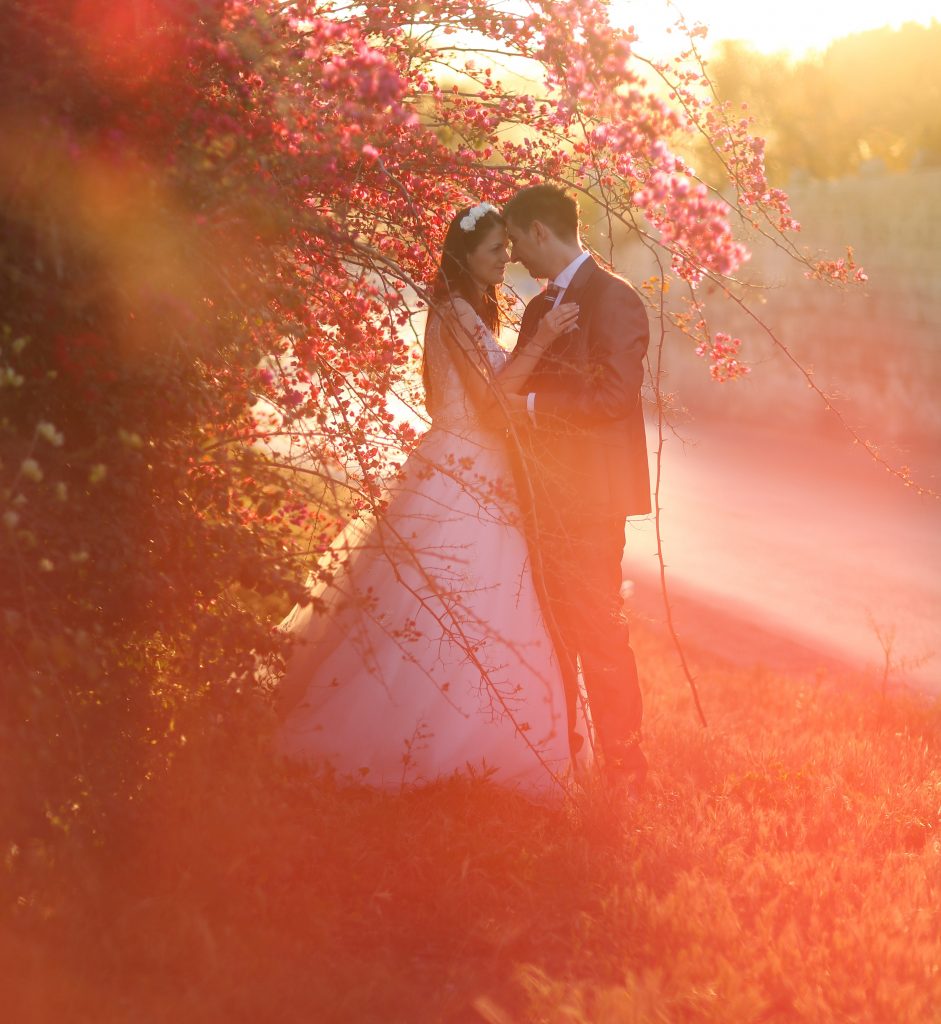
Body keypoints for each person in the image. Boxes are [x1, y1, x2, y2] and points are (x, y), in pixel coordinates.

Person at [274, 202, 584, 796]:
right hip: (467, 470)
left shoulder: (457, 312)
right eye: (495, 250)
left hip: (457, 461)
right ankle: (448, 739)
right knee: (465, 594)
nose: (507, 258)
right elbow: (494, 401)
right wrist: (542, 341)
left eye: (507, 247)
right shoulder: (460, 314)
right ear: (464, 257)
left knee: (451, 598)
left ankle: (459, 726)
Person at [500, 184, 651, 792]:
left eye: (514, 240)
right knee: (552, 630)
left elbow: (616, 397)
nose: (512, 255)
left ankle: (627, 768)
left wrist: (534, 406)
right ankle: (565, 758)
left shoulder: (616, 299)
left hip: (592, 499)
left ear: (540, 231)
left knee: (598, 628)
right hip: (543, 497)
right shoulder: (538, 312)